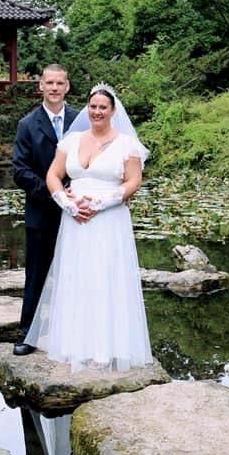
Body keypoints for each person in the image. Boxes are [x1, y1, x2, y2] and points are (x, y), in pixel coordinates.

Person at [24, 83, 152, 372]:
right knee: (76, 277)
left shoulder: (127, 145)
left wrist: (102, 203)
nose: (97, 112)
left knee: (104, 278)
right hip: (75, 220)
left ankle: (104, 349)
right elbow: (53, 175)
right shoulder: (72, 141)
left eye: (102, 107)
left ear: (112, 111)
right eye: (92, 107)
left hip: (108, 219)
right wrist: (66, 203)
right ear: (87, 108)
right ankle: (73, 345)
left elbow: (133, 181)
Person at [11, 64, 79, 356]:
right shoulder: (28, 124)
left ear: (67, 86)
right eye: (49, 83)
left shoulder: (82, 120)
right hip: (41, 211)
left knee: (78, 273)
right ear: (40, 86)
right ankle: (29, 333)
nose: (54, 88)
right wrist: (54, 193)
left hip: (78, 212)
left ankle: (77, 331)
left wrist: (81, 192)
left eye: (59, 83)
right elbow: (20, 170)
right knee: (37, 274)